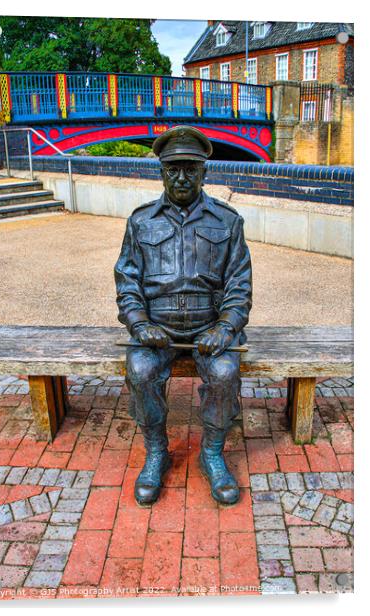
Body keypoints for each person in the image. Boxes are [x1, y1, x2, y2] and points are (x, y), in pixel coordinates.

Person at [114, 126, 252, 506]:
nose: (181, 177)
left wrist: (226, 327)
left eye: (191, 169)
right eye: (173, 168)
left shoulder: (227, 221)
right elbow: (127, 280)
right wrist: (139, 323)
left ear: (205, 171)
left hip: (211, 328)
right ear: (161, 171)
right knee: (140, 371)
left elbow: (239, 285)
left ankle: (212, 454)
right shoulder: (140, 221)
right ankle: (156, 451)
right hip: (156, 329)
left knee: (225, 373)